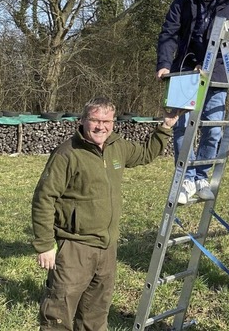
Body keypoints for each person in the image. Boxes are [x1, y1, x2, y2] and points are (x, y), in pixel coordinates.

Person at [32, 97, 179, 330]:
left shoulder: (116, 147)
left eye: (107, 121)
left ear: (113, 122)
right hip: (75, 247)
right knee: (58, 314)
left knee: (96, 313)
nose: (101, 126)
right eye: (95, 120)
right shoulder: (67, 154)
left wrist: (166, 127)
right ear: (83, 121)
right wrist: (44, 245)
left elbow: (145, 154)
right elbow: (43, 198)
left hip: (107, 247)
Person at [156, 0, 229, 204]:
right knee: (181, 127)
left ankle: (201, 177)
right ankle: (186, 177)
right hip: (184, 70)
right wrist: (163, 64)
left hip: (216, 73)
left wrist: (205, 67)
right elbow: (168, 32)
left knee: (213, 129)